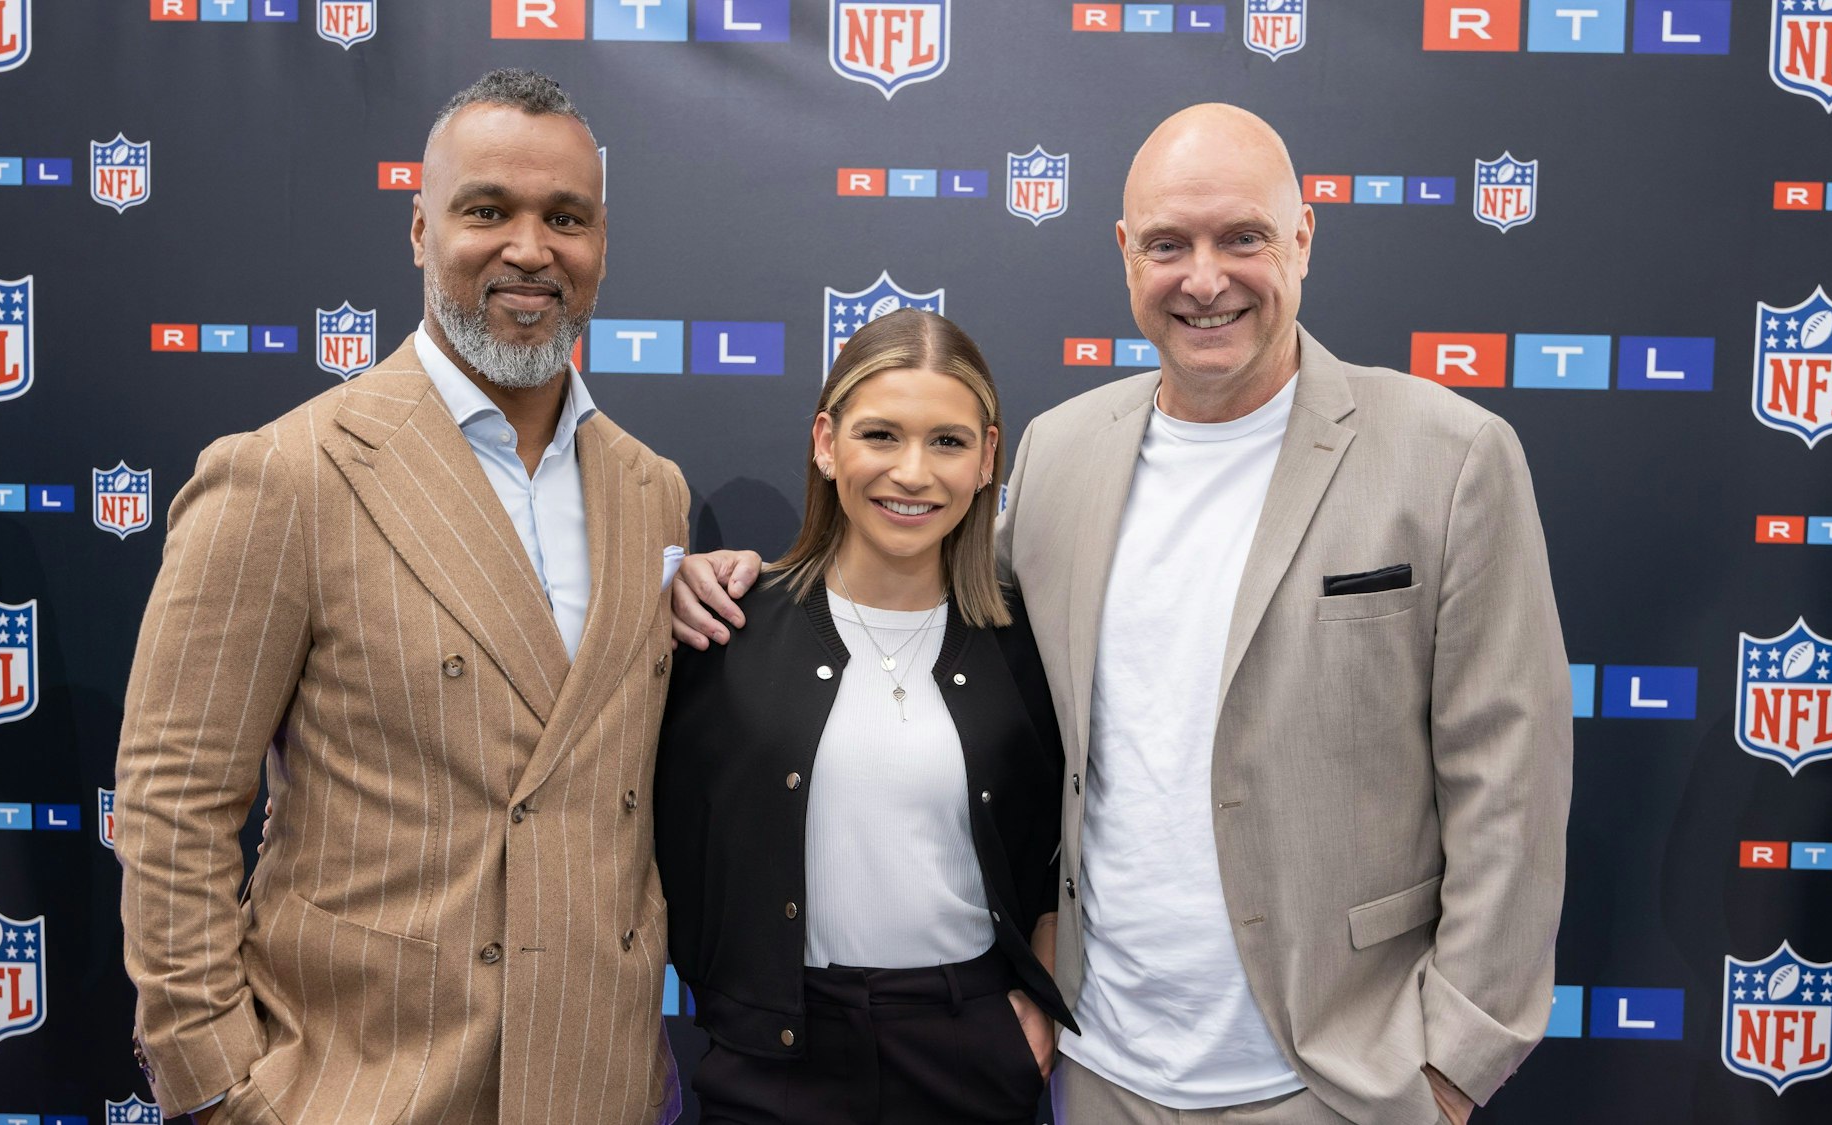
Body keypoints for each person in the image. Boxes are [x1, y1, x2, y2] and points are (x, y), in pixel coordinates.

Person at [672, 103, 1573, 1125]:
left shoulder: (1449, 456)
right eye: (1167, 244)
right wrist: (713, 581)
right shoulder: (1062, 453)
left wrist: (1450, 1067)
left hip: (1341, 1080)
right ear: (1123, 254)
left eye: (1241, 237)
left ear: (1303, 238)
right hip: (1101, 1070)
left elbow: (1511, 781)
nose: (1203, 278)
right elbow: (962, 658)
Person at [115, 70, 688, 1125]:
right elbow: (172, 802)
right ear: (420, 231)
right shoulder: (286, 474)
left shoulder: (650, 490)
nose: (530, 248)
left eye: (566, 216)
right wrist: (217, 1083)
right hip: (362, 1086)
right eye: (487, 211)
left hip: (599, 1082)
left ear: (601, 243)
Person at [655, 309, 1076, 1125]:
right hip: (772, 1058)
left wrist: (1037, 1000)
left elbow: (1072, 842)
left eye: (948, 442)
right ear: (826, 442)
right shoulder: (724, 628)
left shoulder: (1030, 645)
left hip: (973, 1052)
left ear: (989, 458)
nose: (912, 472)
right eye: (880, 435)